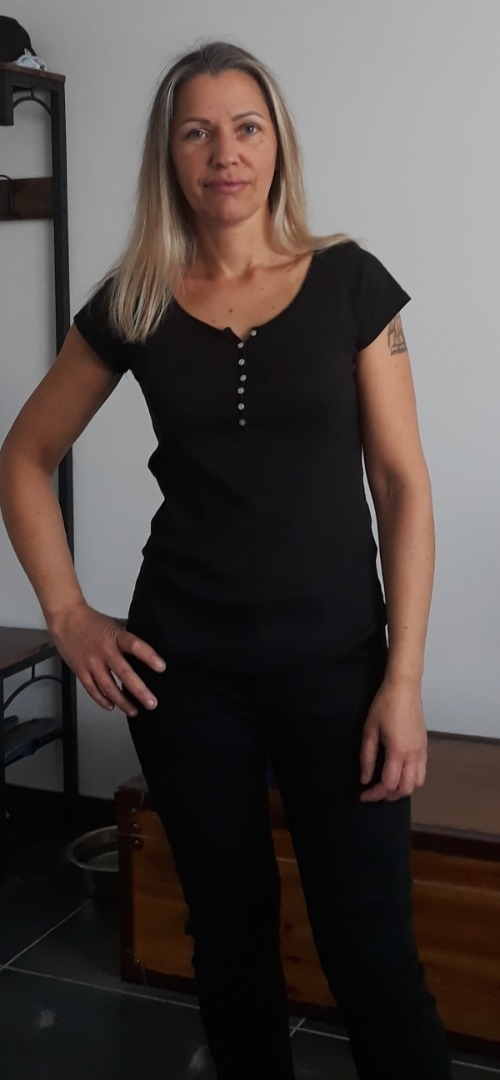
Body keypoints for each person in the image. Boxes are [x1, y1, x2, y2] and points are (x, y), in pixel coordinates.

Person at [0, 40, 453, 1080]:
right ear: (169, 155)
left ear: (275, 142)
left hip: (339, 671)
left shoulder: (350, 283)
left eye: (244, 127)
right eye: (196, 132)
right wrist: (69, 616)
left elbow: (402, 486)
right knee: (230, 941)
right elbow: (23, 456)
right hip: (185, 675)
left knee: (372, 953)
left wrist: (402, 680)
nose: (224, 154)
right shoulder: (136, 299)